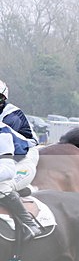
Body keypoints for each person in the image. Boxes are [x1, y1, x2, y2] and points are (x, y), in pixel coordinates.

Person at [0, 79, 43, 239]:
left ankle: (29, 224)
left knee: (1, 186)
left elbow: (6, 164)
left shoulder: (11, 117)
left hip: (23, 159)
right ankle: (25, 191)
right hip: (7, 157)